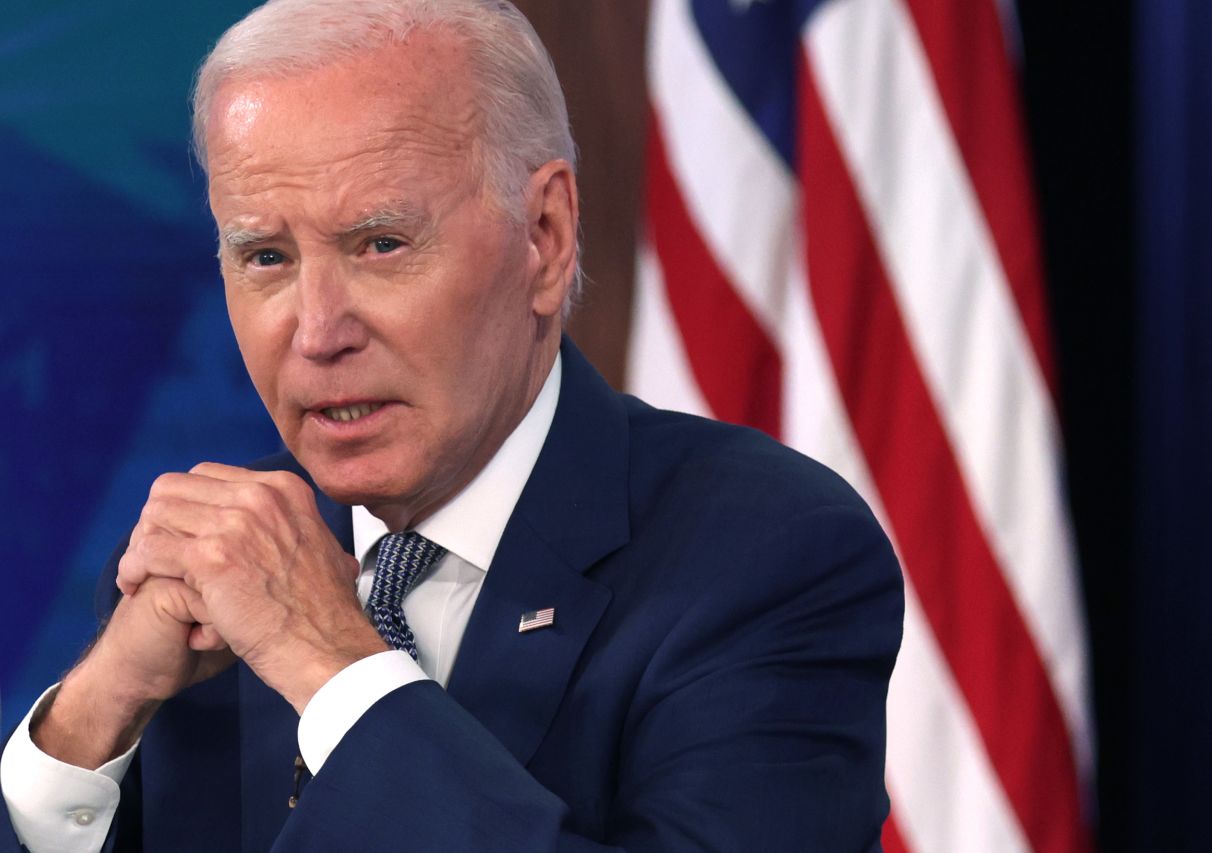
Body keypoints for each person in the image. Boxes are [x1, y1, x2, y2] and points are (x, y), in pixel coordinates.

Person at [0, 0, 903, 850]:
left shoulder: (768, 555)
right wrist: (92, 717)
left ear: (543, 236)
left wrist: (332, 666)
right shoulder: (218, 563)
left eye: (380, 244)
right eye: (266, 257)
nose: (316, 333)